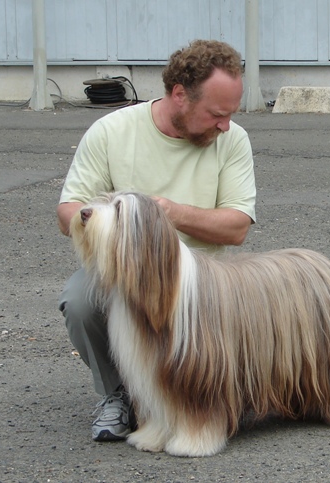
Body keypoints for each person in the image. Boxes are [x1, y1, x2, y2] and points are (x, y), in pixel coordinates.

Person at [57, 39, 257, 441]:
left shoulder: (231, 139)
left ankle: (207, 399)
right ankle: (122, 394)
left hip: (206, 276)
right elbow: (69, 211)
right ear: (180, 95)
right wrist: (103, 221)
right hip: (128, 269)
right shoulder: (112, 131)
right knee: (80, 299)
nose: (224, 125)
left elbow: (237, 227)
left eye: (230, 115)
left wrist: (172, 214)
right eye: (217, 114)